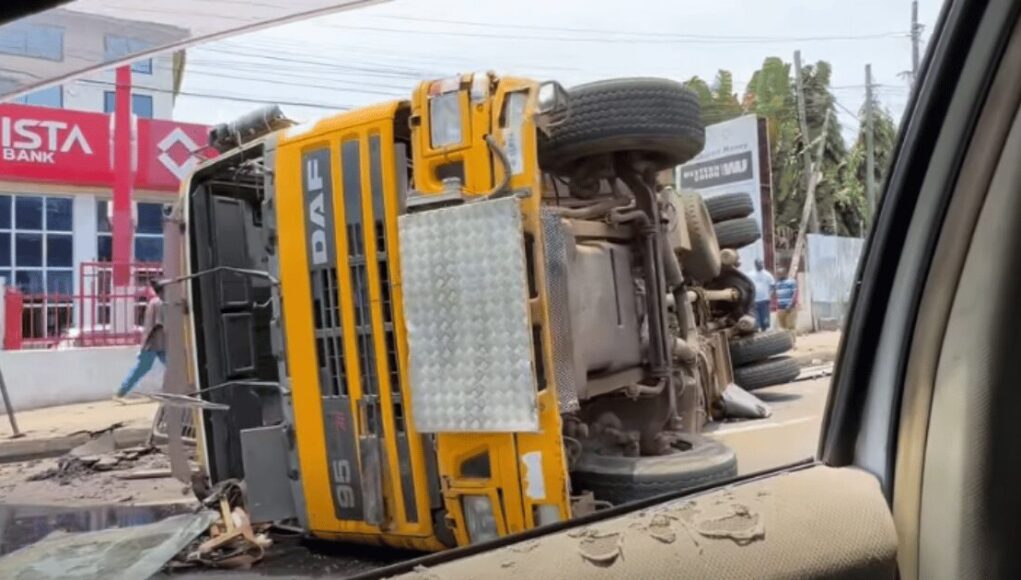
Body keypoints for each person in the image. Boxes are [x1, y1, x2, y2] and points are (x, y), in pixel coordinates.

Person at [115, 279, 166, 400]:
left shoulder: (154, 302)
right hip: (154, 343)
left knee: (144, 369)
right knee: (142, 369)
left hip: (156, 343)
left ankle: (121, 391)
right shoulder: (160, 303)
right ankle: (121, 391)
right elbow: (162, 324)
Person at [750, 258, 775, 331]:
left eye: (762, 263)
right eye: (759, 263)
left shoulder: (767, 274)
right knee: (756, 320)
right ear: (755, 264)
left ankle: (764, 333)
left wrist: (770, 296)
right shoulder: (750, 274)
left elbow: (773, 286)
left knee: (765, 321)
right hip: (754, 301)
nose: (761, 265)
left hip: (764, 300)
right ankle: (757, 333)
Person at [775, 268, 799, 345]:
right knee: (782, 328)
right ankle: (785, 344)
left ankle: (793, 343)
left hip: (790, 308)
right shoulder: (777, 283)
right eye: (778, 274)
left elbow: (795, 294)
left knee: (791, 327)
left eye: (780, 274)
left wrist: (790, 305)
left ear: (785, 274)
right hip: (780, 308)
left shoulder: (791, 282)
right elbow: (776, 295)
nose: (779, 276)